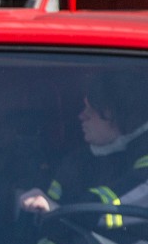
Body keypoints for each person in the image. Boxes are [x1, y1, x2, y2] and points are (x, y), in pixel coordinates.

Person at [19, 77, 148, 234]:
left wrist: (59, 211)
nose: (82, 116)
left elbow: (121, 205)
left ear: (122, 113)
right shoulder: (77, 161)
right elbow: (50, 229)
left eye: (92, 109)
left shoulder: (143, 156)